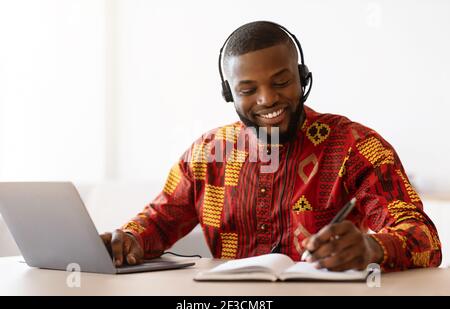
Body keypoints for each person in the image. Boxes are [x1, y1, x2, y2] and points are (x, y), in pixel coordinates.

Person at [100, 21, 441, 272]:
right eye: (248, 90)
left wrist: (371, 247)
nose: (267, 99)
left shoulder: (356, 146)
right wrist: (127, 239)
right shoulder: (207, 153)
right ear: (228, 94)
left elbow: (424, 239)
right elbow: (158, 222)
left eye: (281, 82)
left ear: (302, 78)